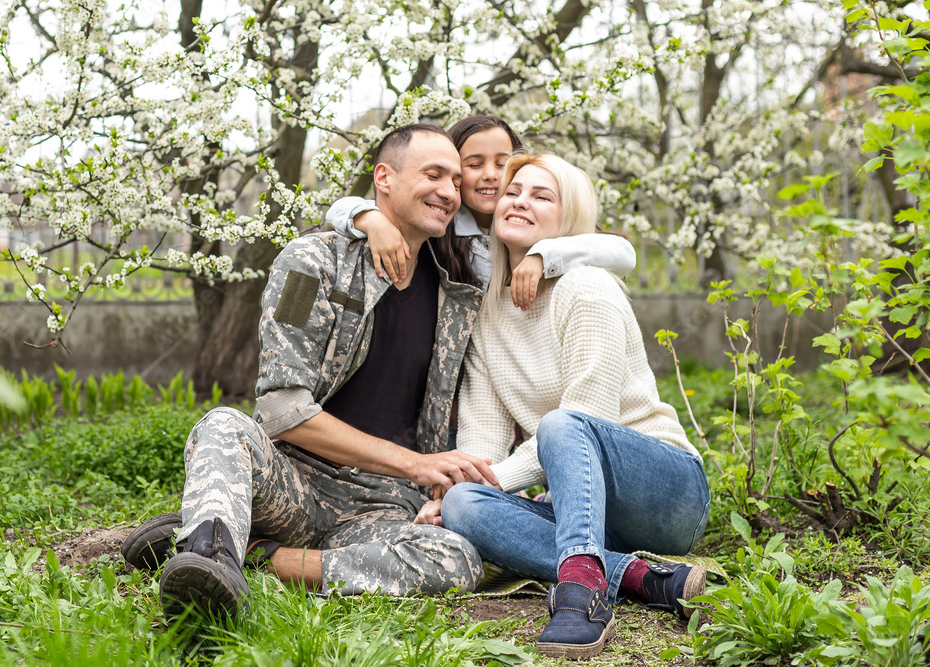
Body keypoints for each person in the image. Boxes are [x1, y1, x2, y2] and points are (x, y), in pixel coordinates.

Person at [141, 124, 502, 620]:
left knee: (455, 560)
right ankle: (206, 564)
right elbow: (281, 410)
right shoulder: (308, 266)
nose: (448, 191)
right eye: (434, 174)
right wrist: (415, 463)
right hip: (293, 482)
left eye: (456, 182)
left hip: (383, 505)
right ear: (384, 179)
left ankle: (251, 556)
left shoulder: (456, 299)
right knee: (224, 425)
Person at [419, 154, 711, 660]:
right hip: (582, 504)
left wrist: (499, 481)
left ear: (567, 221)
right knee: (466, 504)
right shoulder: (489, 312)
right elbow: (483, 440)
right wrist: (458, 490)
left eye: (541, 195)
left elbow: (585, 421)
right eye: (514, 192)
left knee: (562, 424)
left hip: (666, 493)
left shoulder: (588, 289)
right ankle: (640, 576)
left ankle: (582, 593)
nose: (519, 201)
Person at [327, 115, 636, 306]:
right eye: (474, 165)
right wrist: (371, 221)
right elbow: (340, 208)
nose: (491, 174)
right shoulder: (440, 226)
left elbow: (622, 252)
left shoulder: (536, 221)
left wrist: (543, 256)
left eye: (502, 164)